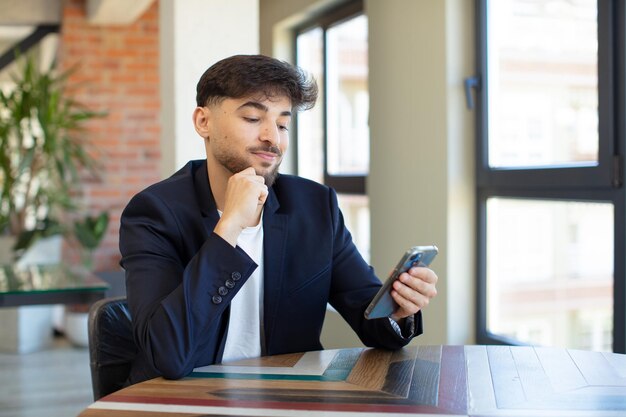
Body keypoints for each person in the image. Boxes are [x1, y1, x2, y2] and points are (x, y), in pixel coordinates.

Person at [119, 54, 438, 385]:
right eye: (254, 118)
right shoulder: (153, 213)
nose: (273, 137)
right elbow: (167, 355)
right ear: (204, 122)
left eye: (283, 124)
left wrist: (400, 309)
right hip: (181, 400)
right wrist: (229, 228)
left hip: (286, 397)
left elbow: (369, 317)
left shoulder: (315, 207)